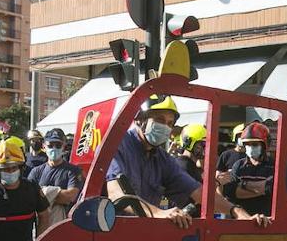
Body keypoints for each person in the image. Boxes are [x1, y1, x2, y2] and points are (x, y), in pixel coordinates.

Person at [105, 96, 270, 227]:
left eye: (170, 123)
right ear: (140, 119)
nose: (166, 127)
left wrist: (238, 213)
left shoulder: (162, 158)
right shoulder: (119, 144)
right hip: (105, 230)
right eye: (160, 120)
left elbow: (199, 193)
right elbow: (117, 195)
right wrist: (159, 213)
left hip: (141, 234)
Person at [27, 127, 83, 226]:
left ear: (64, 147)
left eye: (58, 145)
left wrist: (43, 192)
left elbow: (70, 196)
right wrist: (57, 195)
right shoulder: (36, 171)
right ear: (44, 147)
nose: (54, 148)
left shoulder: (73, 170)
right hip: (40, 225)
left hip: (66, 225)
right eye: (50, 145)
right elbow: (29, 197)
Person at [222, 122, 275, 217]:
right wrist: (261, 189)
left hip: (266, 220)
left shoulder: (274, 166)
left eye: (254, 144)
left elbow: (271, 188)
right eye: (247, 144)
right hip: (242, 220)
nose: (250, 148)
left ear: (265, 145)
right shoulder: (238, 166)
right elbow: (230, 192)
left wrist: (242, 185)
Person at [173, 123, 207, 187]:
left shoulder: (189, 165)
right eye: (203, 144)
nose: (205, 148)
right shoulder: (185, 168)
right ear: (189, 143)